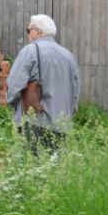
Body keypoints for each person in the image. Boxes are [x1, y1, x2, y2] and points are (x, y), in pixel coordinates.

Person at [6, 14, 80, 155]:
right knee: (55, 168)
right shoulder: (69, 56)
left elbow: (14, 85)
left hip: (35, 121)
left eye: (29, 31)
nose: (28, 35)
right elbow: (75, 93)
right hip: (62, 124)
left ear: (38, 32)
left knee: (31, 165)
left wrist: (12, 103)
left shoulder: (30, 51)